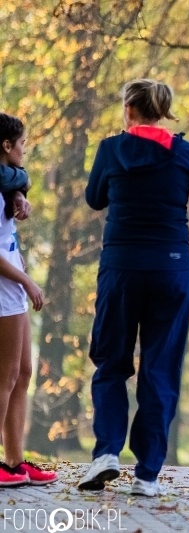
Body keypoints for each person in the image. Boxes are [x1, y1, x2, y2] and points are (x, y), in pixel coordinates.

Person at [78, 80, 189, 496]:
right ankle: (147, 474)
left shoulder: (110, 150)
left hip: (121, 266)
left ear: (129, 108)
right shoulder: (186, 153)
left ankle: (107, 451)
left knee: (111, 362)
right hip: (170, 268)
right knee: (160, 367)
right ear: (164, 111)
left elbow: (94, 199)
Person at [0, 113, 53, 487]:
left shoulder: (6, 184)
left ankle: (14, 462)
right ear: (6, 146)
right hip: (5, 288)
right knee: (3, 378)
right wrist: (28, 281)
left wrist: (18, 197)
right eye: (22, 143)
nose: (24, 149)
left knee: (23, 373)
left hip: (13, 287)